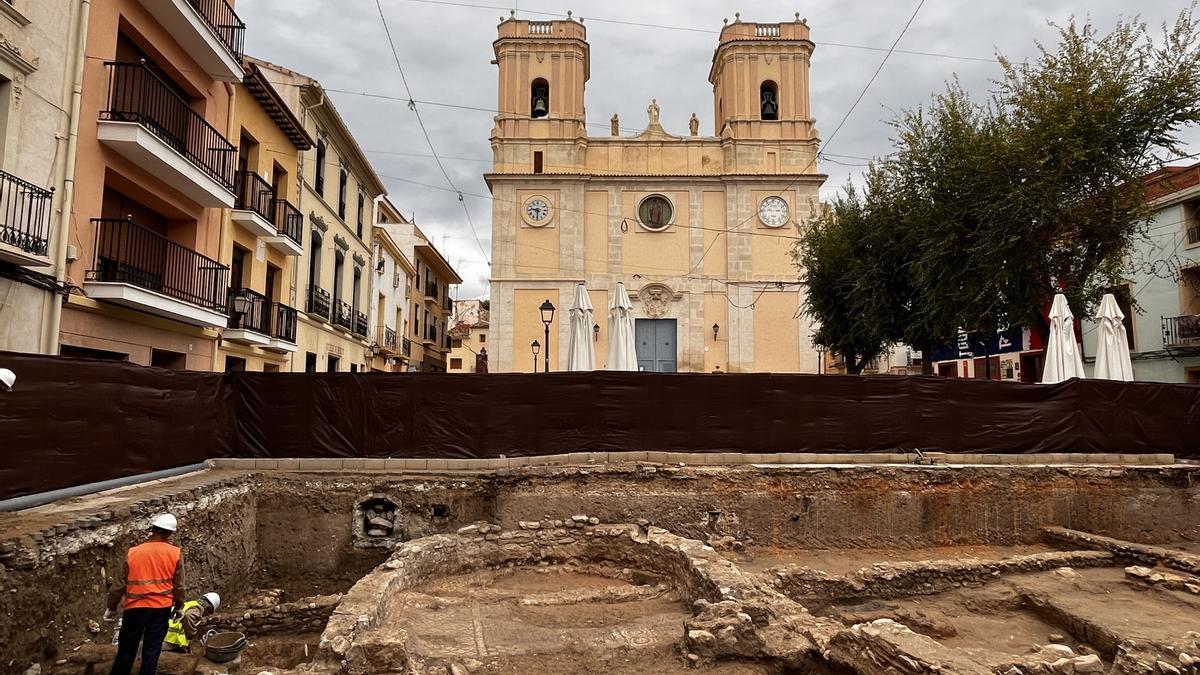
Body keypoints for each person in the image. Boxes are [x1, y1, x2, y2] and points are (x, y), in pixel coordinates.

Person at [106, 513, 184, 675]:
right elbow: (179, 586)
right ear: (170, 533)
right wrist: (179, 606)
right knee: (151, 651)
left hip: (135, 608)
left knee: (126, 650)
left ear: (153, 529)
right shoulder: (175, 553)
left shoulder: (133, 553)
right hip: (161, 609)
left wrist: (111, 607)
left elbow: (118, 586)